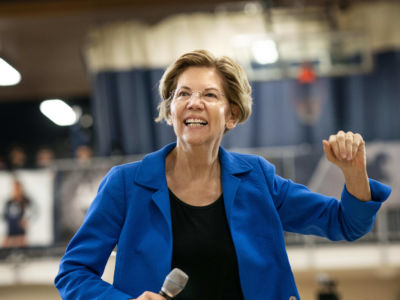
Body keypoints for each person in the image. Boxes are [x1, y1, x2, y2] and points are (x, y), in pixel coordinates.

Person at [54, 50, 391, 300]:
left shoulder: (258, 178)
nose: (194, 102)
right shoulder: (125, 185)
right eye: (183, 94)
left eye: (209, 95)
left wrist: (353, 173)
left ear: (231, 116)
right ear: (170, 112)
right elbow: (73, 273)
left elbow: (346, 224)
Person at [2, 179, 31, 248]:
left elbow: (28, 214)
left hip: (20, 229)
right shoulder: (9, 202)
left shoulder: (25, 201)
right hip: (11, 228)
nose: (16, 190)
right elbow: (5, 215)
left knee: (22, 243)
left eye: (17, 188)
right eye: (14, 189)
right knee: (5, 245)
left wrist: (24, 221)